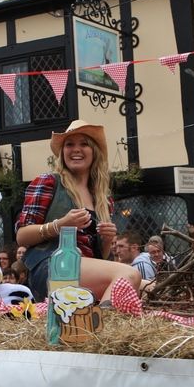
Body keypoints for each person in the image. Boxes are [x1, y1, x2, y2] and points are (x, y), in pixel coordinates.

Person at [16, 120, 140, 302]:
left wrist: (107, 240)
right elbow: (22, 236)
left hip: (85, 270)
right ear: (62, 152)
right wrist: (60, 225)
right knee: (129, 275)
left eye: (84, 144)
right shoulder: (49, 182)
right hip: (52, 266)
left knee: (147, 286)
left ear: (94, 152)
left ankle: (100, 312)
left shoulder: (103, 199)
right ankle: (105, 318)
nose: (76, 149)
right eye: (69, 144)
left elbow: (100, 256)